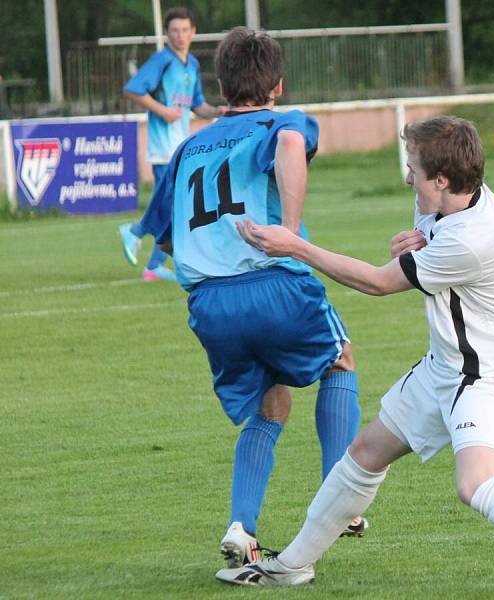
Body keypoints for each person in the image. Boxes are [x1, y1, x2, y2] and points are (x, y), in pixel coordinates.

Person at [223, 116, 494, 598]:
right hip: (447, 364)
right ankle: (290, 566)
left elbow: (377, 282)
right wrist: (419, 242)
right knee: (365, 453)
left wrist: (296, 247)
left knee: (475, 484)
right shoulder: (452, 197)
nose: (406, 177)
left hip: (486, 373)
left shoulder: (472, 238)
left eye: (413, 168)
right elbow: (427, 237)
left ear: (442, 180)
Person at [146, 26, 365, 567]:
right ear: (279, 85)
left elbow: (166, 234)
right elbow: (291, 144)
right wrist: (288, 231)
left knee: (271, 402)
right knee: (339, 360)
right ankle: (342, 503)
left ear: (220, 85)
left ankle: (241, 527)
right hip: (271, 282)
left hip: (208, 304)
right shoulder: (281, 120)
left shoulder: (188, 147)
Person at [119, 6, 222, 281]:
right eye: (174, 31)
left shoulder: (193, 64)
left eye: (185, 30)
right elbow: (132, 89)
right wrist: (161, 110)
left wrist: (217, 112)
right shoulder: (162, 61)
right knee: (174, 205)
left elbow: (197, 103)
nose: (180, 36)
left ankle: (151, 261)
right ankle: (137, 236)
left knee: (174, 207)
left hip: (180, 144)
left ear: (194, 32)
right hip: (163, 145)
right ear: (166, 34)